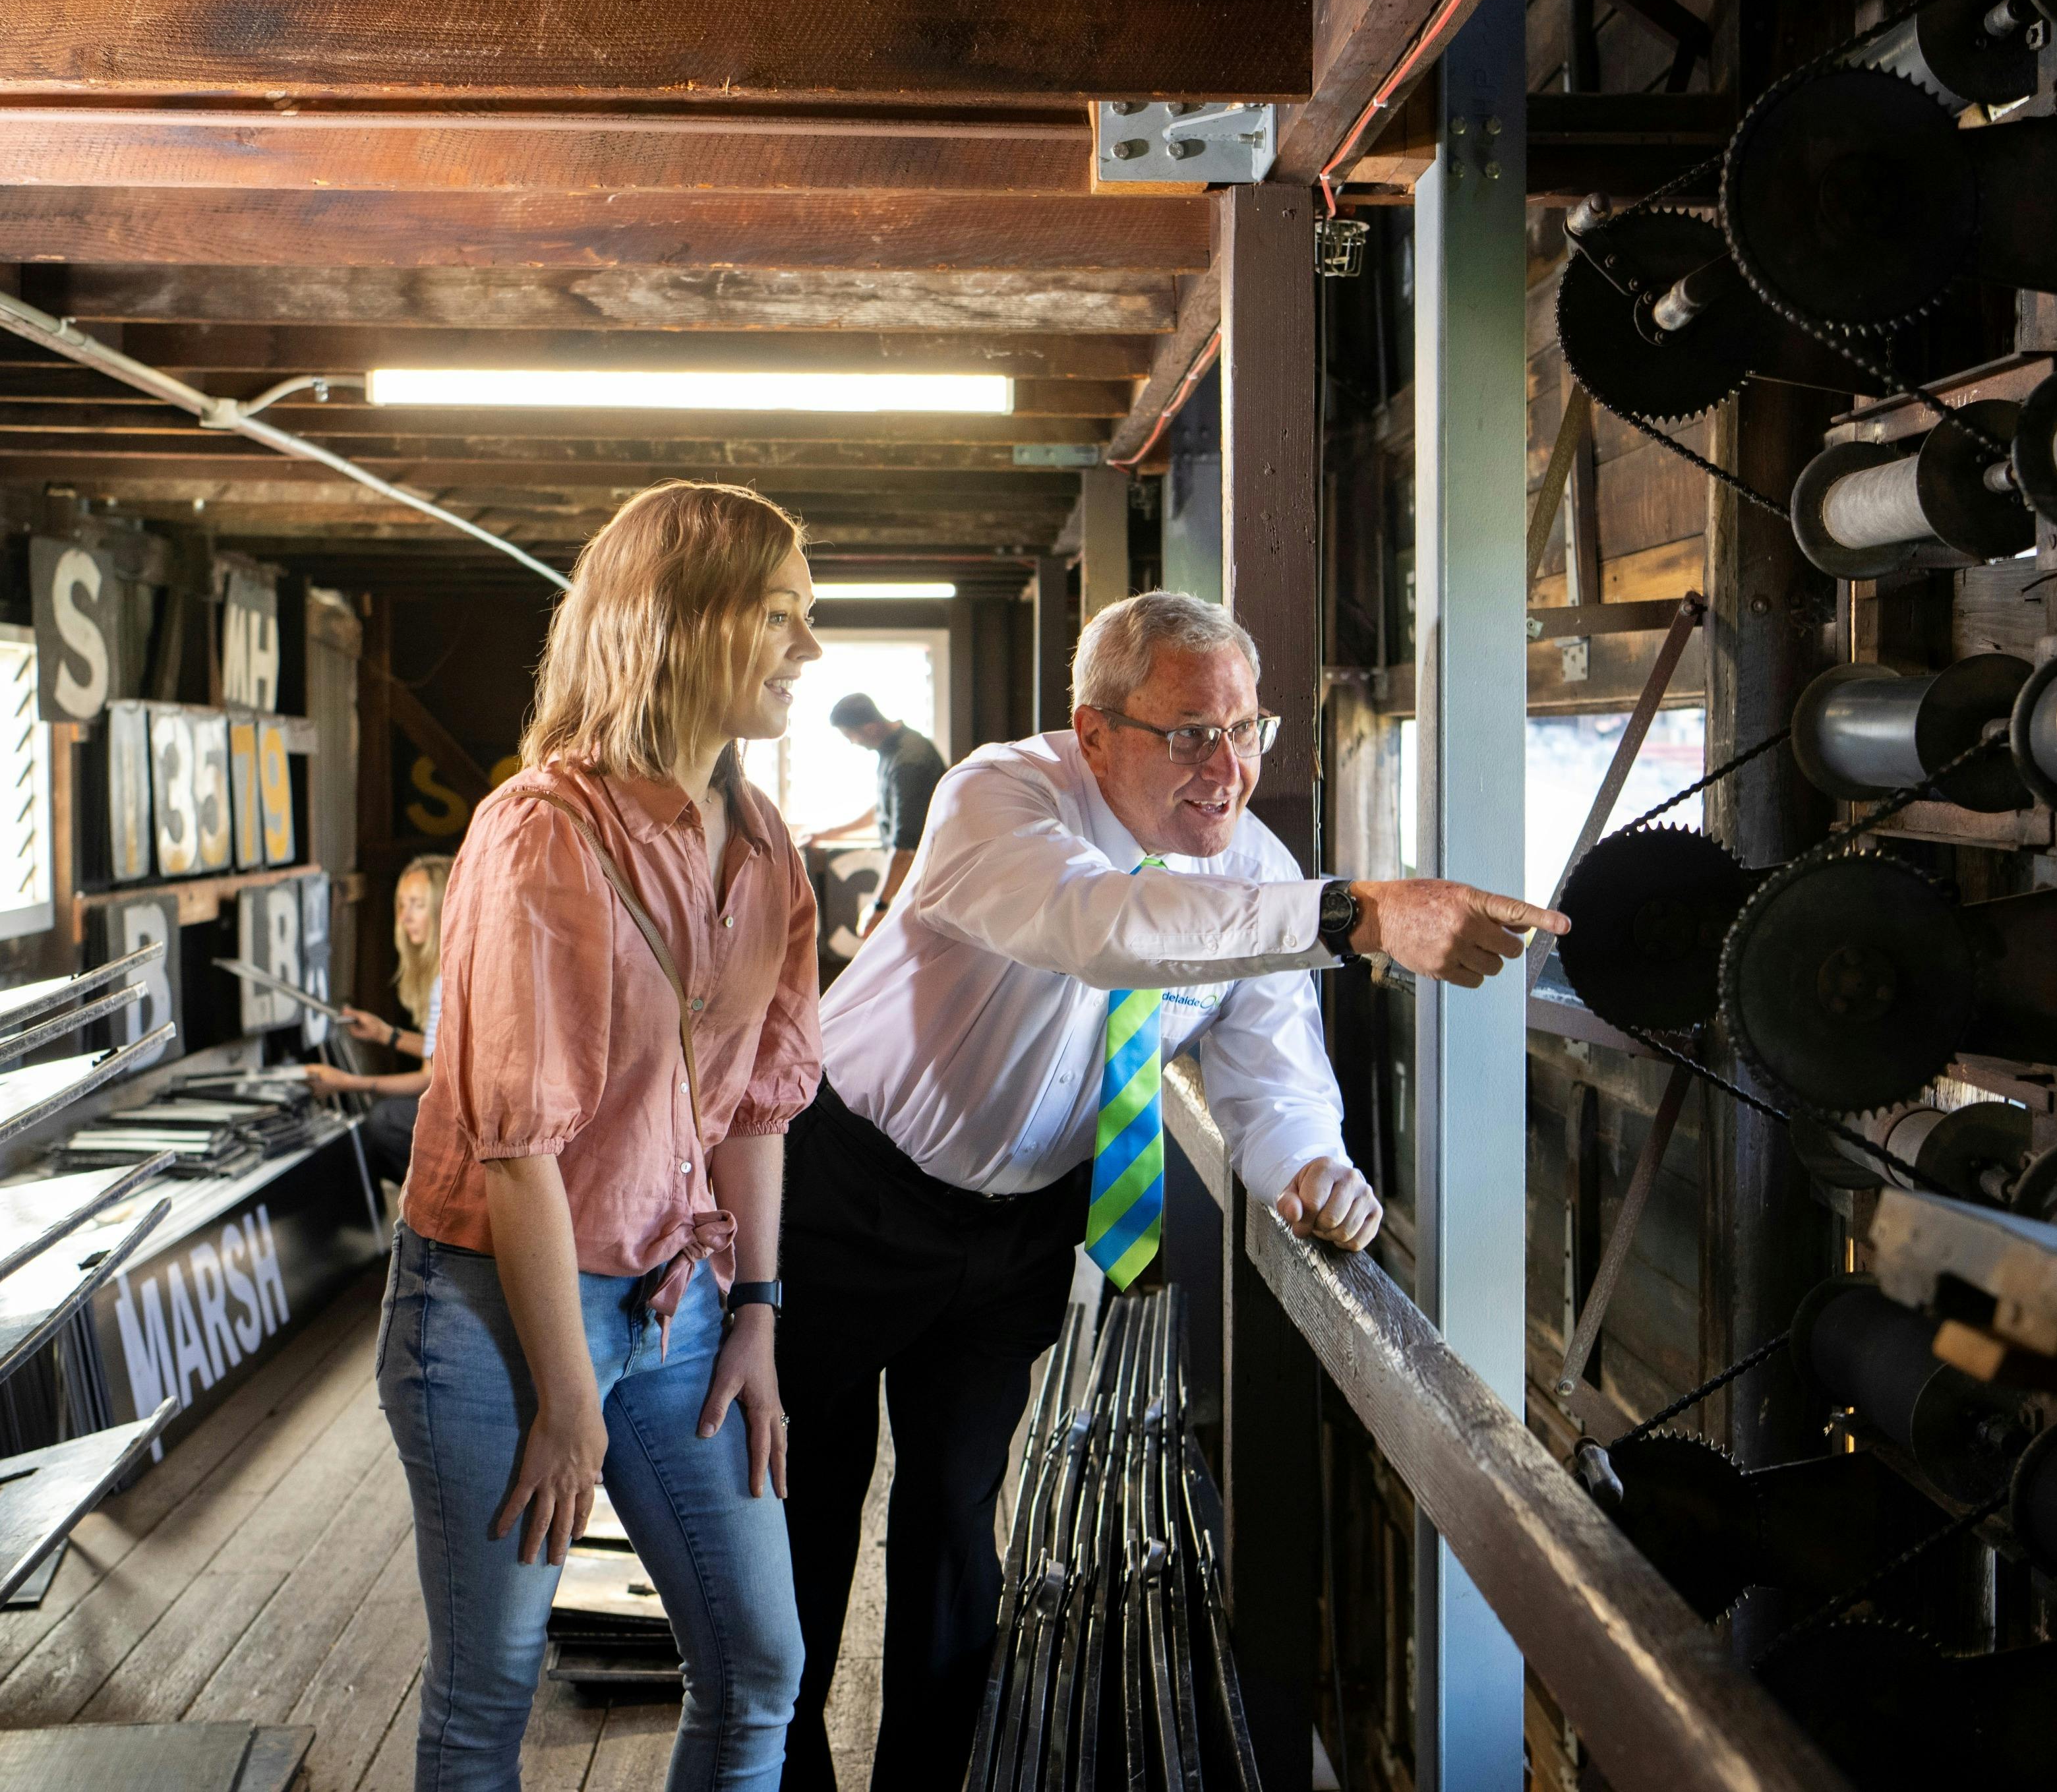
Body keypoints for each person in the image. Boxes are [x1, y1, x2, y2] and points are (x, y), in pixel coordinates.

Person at [774, 589, 1568, 1791]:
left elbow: (1270, 1073)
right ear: (1095, 734)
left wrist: (1312, 1170)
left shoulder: (1257, 872)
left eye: (1249, 730)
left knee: (951, 1525)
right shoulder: (999, 796)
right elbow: (1104, 926)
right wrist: (1355, 912)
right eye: (1191, 732)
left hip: (1019, 1226)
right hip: (844, 1187)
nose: (1229, 766)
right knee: (801, 1513)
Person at [378, 480, 824, 1792]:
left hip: (682, 1293)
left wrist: (757, 1308)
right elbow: (518, 1149)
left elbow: (755, 1100)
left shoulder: (764, 847)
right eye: (782, 615)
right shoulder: (539, 834)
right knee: (489, 1692)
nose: (808, 648)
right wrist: (569, 1399)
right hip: (495, 1312)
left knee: (760, 1665)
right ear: (677, 626)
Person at [305, 852, 454, 1185]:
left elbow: (430, 1080)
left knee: (383, 1121)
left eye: (417, 904)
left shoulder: (446, 980)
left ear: (443, 905)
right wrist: (387, 1034)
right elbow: (443, 1053)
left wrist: (346, 1082)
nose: (405, 917)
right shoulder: (447, 969)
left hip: (471, 1119)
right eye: (402, 905)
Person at [796, 694, 945, 938]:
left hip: (926, 881)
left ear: (871, 728)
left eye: (850, 736)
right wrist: (826, 834)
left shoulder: (909, 760)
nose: (853, 743)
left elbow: (906, 848)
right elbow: (883, 810)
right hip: (914, 878)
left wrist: (879, 906)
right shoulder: (893, 752)